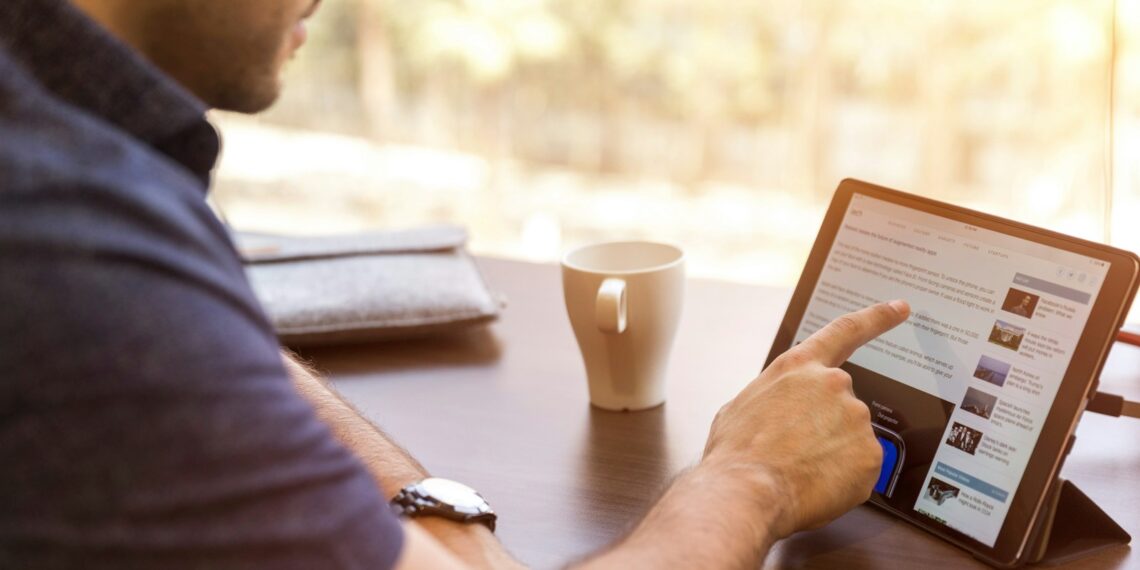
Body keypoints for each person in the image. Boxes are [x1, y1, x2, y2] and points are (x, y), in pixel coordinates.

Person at [0, 0, 911, 567]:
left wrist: (440, 523)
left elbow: (195, 348)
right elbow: (135, 328)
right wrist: (750, 479)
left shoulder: (67, 158)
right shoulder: (64, 239)